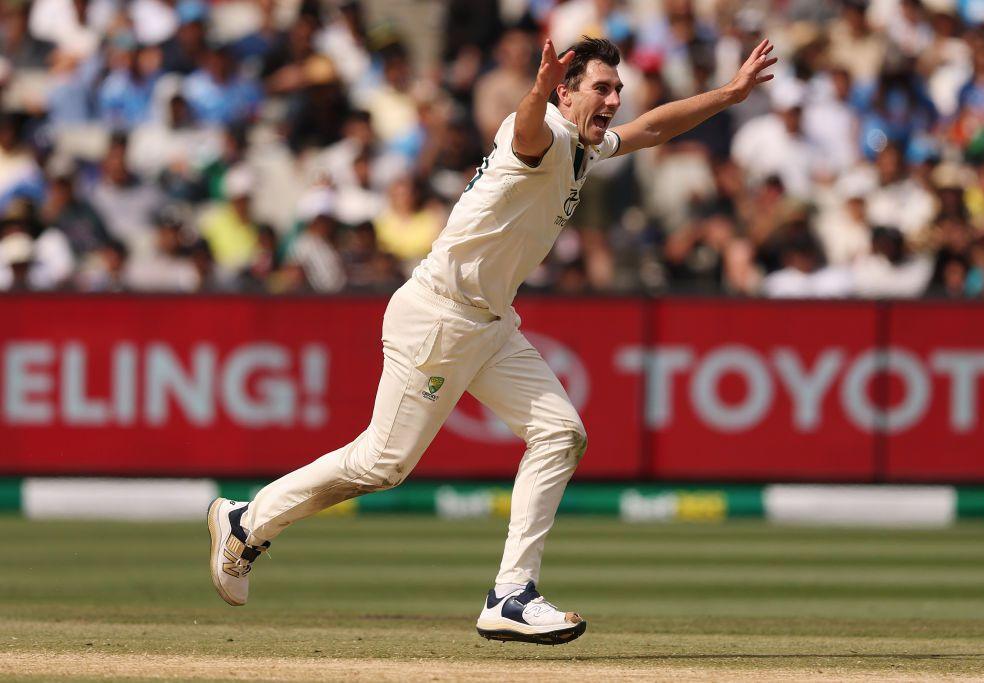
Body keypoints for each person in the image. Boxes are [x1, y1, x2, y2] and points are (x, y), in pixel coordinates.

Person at [207, 35, 776, 644]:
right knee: (381, 464)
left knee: (561, 434)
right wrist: (535, 91)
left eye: (617, 90)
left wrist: (732, 93)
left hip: (489, 322)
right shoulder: (543, 132)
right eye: (600, 89)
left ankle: (511, 593)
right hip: (438, 317)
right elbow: (530, 126)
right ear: (564, 90)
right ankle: (248, 519)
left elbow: (652, 131)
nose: (612, 100)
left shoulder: (583, 145)